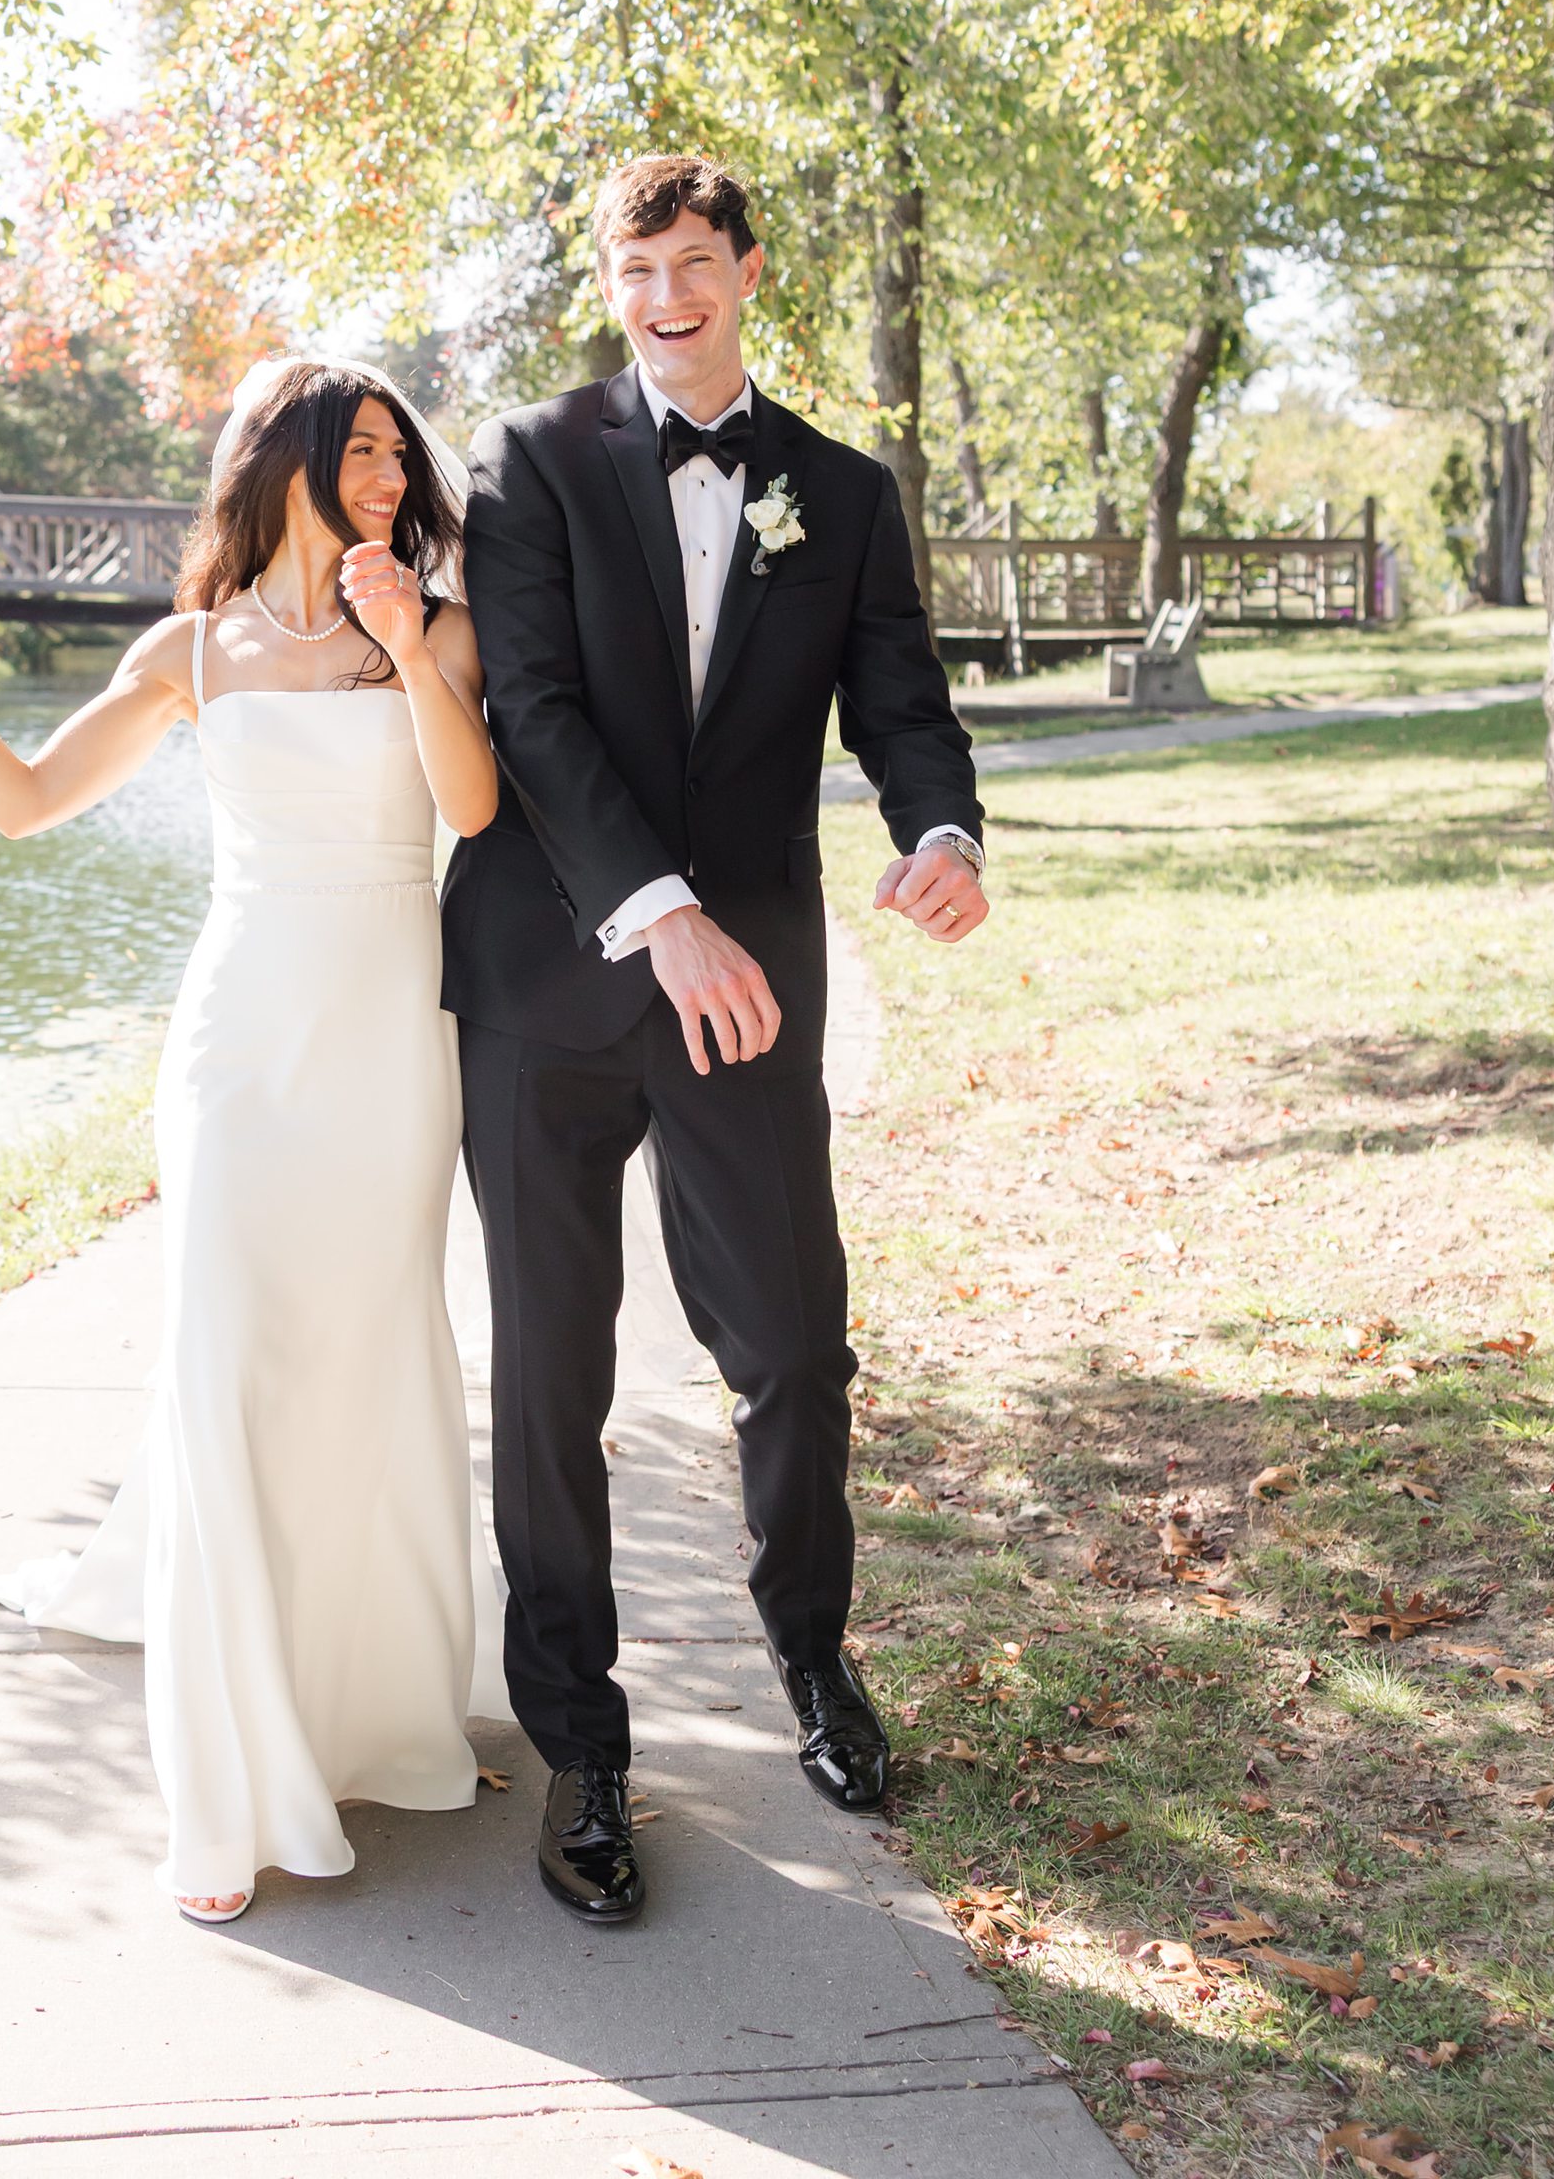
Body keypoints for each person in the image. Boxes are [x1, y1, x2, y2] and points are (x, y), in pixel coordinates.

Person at [0, 360, 504, 1925]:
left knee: (372, 1354)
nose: (392, 481)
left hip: (398, 1034)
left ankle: (384, 1718)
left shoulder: (443, 628)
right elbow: (22, 802)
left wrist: (405, 647)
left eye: (402, 457)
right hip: (240, 1043)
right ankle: (232, 1782)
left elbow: (471, 814)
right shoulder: (192, 650)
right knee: (227, 1374)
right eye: (362, 455)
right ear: (282, 465)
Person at [442, 153, 989, 1925]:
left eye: (694, 262)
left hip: (747, 981)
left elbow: (899, 698)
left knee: (795, 1341)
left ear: (747, 271)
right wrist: (650, 908)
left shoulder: (839, 488)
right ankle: (584, 1743)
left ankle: (814, 1659)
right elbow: (524, 707)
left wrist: (941, 833)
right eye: (635, 267)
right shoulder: (527, 464)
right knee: (549, 1373)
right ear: (610, 282)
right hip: (552, 977)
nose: (666, 294)